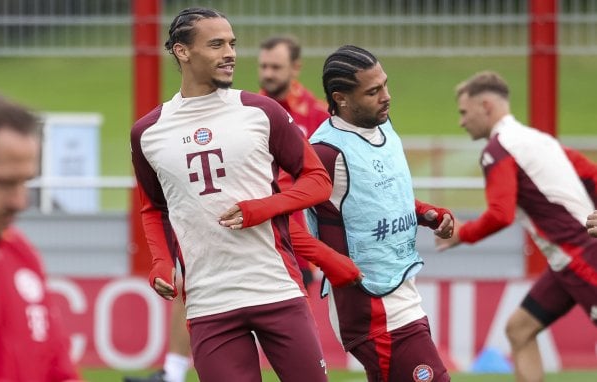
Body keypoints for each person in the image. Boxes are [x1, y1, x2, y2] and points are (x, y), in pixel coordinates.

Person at [130, 7, 361, 382]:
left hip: (276, 289)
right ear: (182, 52)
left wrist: (264, 208)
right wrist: (161, 262)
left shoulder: (260, 111)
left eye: (232, 44)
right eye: (216, 44)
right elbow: (153, 209)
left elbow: (317, 179)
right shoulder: (148, 132)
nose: (230, 53)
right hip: (208, 304)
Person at [305, 45, 454, 382]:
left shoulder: (383, 126)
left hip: (400, 286)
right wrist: (329, 262)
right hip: (370, 306)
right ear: (341, 98)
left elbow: (381, 199)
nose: (386, 96)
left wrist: (427, 214)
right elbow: (289, 219)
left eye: (385, 85)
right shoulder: (326, 152)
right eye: (373, 91)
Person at [435, 71, 597, 382]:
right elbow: (592, 176)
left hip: (580, 257)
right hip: (567, 261)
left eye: (464, 112)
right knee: (519, 329)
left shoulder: (498, 150)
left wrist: (461, 234)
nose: (461, 121)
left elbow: (500, 214)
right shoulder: (540, 140)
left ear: (485, 105)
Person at [0, 94, 81, 381]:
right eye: (4, 183)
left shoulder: (20, 253)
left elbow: (58, 370)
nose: (20, 201)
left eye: (25, 182)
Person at [258, 34, 331, 289]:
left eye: (275, 67)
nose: (268, 74)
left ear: (296, 67)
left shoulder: (320, 116)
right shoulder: (247, 113)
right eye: (264, 66)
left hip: (297, 240)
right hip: (254, 235)